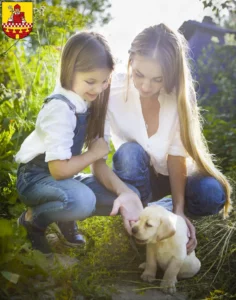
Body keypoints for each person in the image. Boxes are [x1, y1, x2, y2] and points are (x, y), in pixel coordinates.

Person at [81, 23, 232, 254]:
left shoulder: (178, 95)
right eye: (139, 74)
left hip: (175, 175)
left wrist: (179, 212)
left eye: (157, 79)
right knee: (129, 153)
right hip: (135, 177)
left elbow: (176, 156)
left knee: (212, 193)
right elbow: (97, 161)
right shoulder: (111, 89)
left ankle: (154, 214)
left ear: (170, 75)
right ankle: (140, 211)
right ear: (130, 59)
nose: (145, 86)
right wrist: (125, 192)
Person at [15, 32, 117, 254]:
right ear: (70, 70)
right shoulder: (60, 108)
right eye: (90, 81)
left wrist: (126, 192)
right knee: (83, 201)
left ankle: (63, 215)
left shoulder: (88, 101)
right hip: (35, 177)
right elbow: (59, 170)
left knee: (114, 196)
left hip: (64, 176)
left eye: (104, 82)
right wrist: (92, 154)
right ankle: (33, 222)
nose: (98, 89)